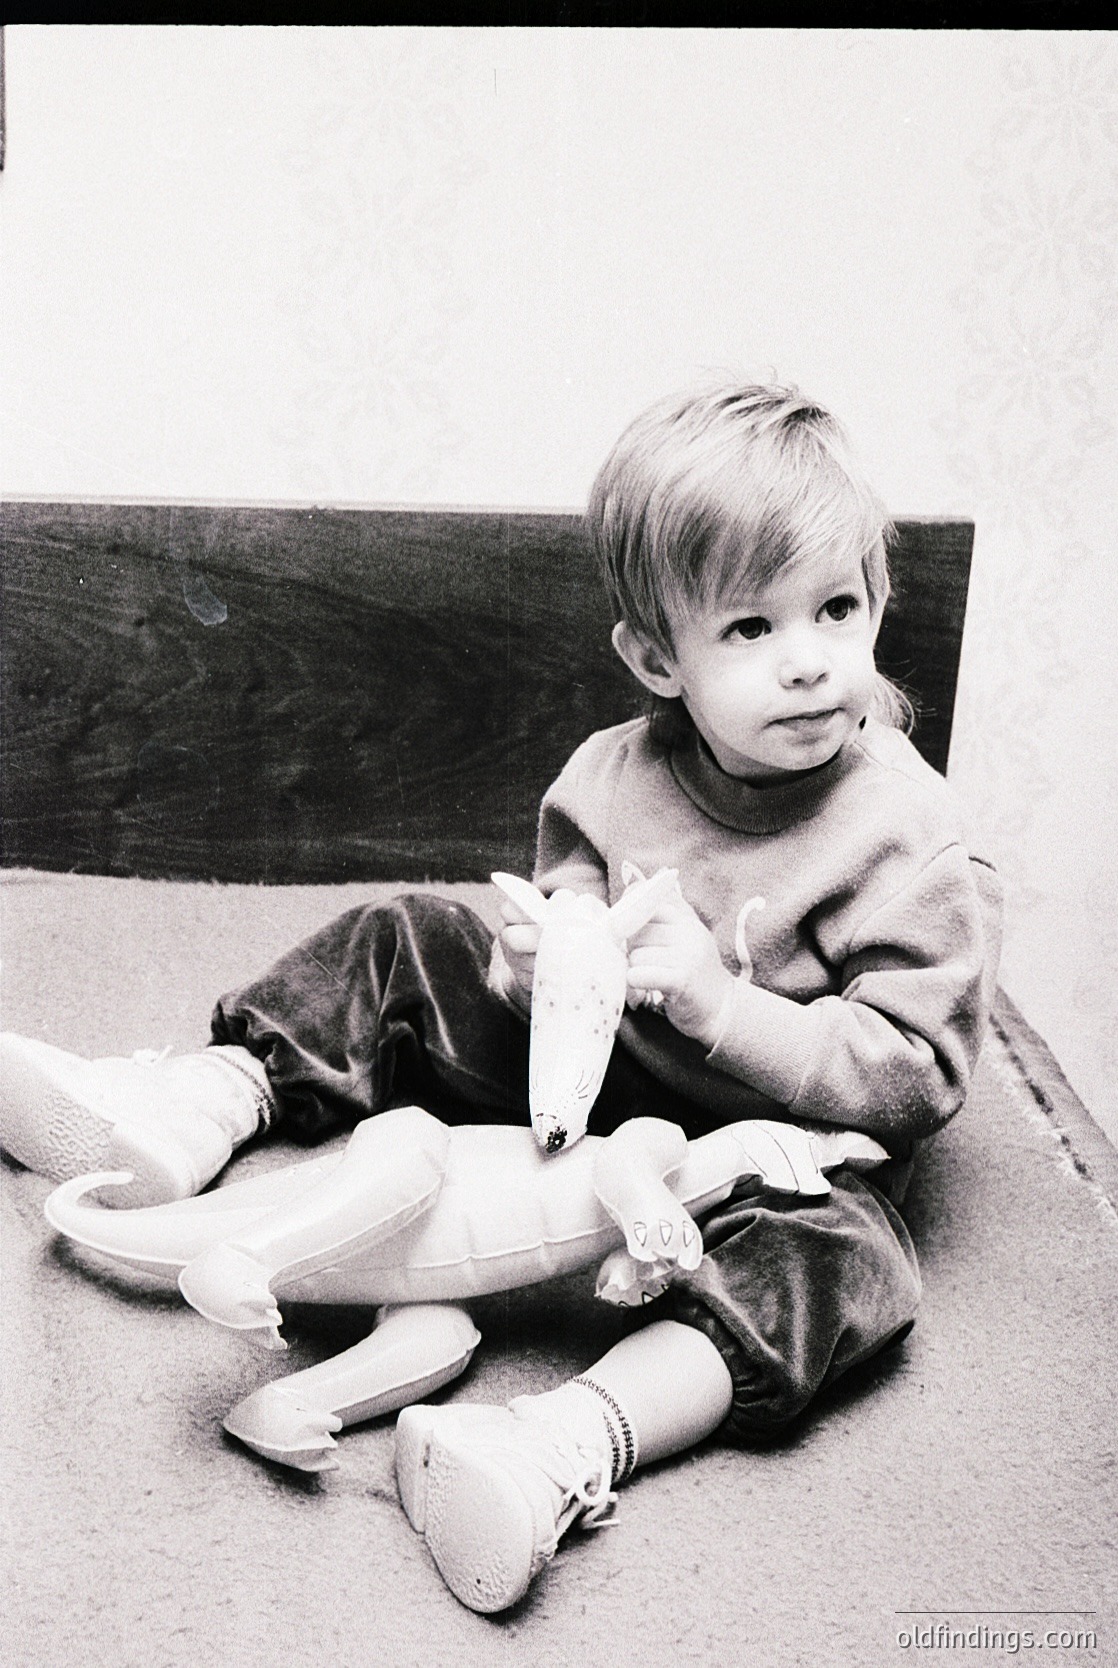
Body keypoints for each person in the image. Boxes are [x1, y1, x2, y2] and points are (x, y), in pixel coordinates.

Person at [0, 383, 1001, 1614]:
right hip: (587, 1095)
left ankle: (566, 1439)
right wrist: (525, 966)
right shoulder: (611, 776)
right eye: (747, 627)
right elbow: (558, 923)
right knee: (405, 932)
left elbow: (916, 1075)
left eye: (836, 608)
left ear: (874, 605)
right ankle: (193, 1105)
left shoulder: (911, 844)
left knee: (851, 1265)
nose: (805, 659)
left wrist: (719, 1006)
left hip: (770, 1145)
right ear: (655, 658)